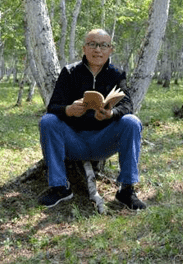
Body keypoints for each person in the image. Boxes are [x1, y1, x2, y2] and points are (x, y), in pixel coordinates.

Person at [39, 29, 146, 210]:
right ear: (84, 48)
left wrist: (111, 114)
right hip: (74, 140)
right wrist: (69, 110)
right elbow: (53, 106)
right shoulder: (69, 72)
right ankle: (59, 187)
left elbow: (127, 106)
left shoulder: (116, 74)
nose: (98, 50)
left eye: (104, 45)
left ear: (110, 50)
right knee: (48, 121)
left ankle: (126, 189)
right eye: (93, 44)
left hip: (103, 141)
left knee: (132, 122)